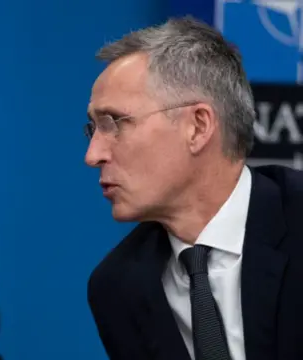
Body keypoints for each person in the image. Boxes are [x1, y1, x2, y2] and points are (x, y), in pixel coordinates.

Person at [85, 17, 303, 360]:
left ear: (198, 127)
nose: (93, 155)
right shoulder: (117, 287)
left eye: (114, 123)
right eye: (92, 129)